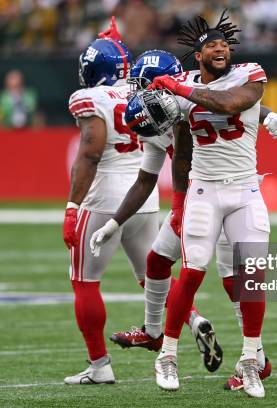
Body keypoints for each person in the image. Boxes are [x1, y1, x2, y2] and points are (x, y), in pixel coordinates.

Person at [90, 48, 277, 389]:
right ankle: (154, 333)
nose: (140, 93)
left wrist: (267, 114)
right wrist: (114, 223)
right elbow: (147, 177)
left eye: (146, 86)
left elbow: (233, 103)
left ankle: (257, 358)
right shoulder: (157, 119)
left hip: (226, 191)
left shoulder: (188, 101)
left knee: (235, 277)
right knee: (158, 260)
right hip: (198, 198)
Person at [62, 20, 205, 386]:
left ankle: (99, 366)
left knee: (85, 282)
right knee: (152, 277)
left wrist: (72, 206)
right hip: (144, 196)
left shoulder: (90, 98)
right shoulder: (142, 89)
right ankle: (195, 319)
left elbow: (90, 154)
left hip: (103, 199)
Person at [143, 10, 272, 398]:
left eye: (224, 44)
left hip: (246, 189)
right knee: (193, 271)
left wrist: (178, 91)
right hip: (205, 189)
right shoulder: (182, 84)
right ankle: (167, 355)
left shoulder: (250, 74)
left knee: (252, 275)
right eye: (211, 45)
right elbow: (179, 149)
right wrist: (148, 106)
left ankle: (251, 360)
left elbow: (232, 104)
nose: (220, 49)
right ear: (198, 55)